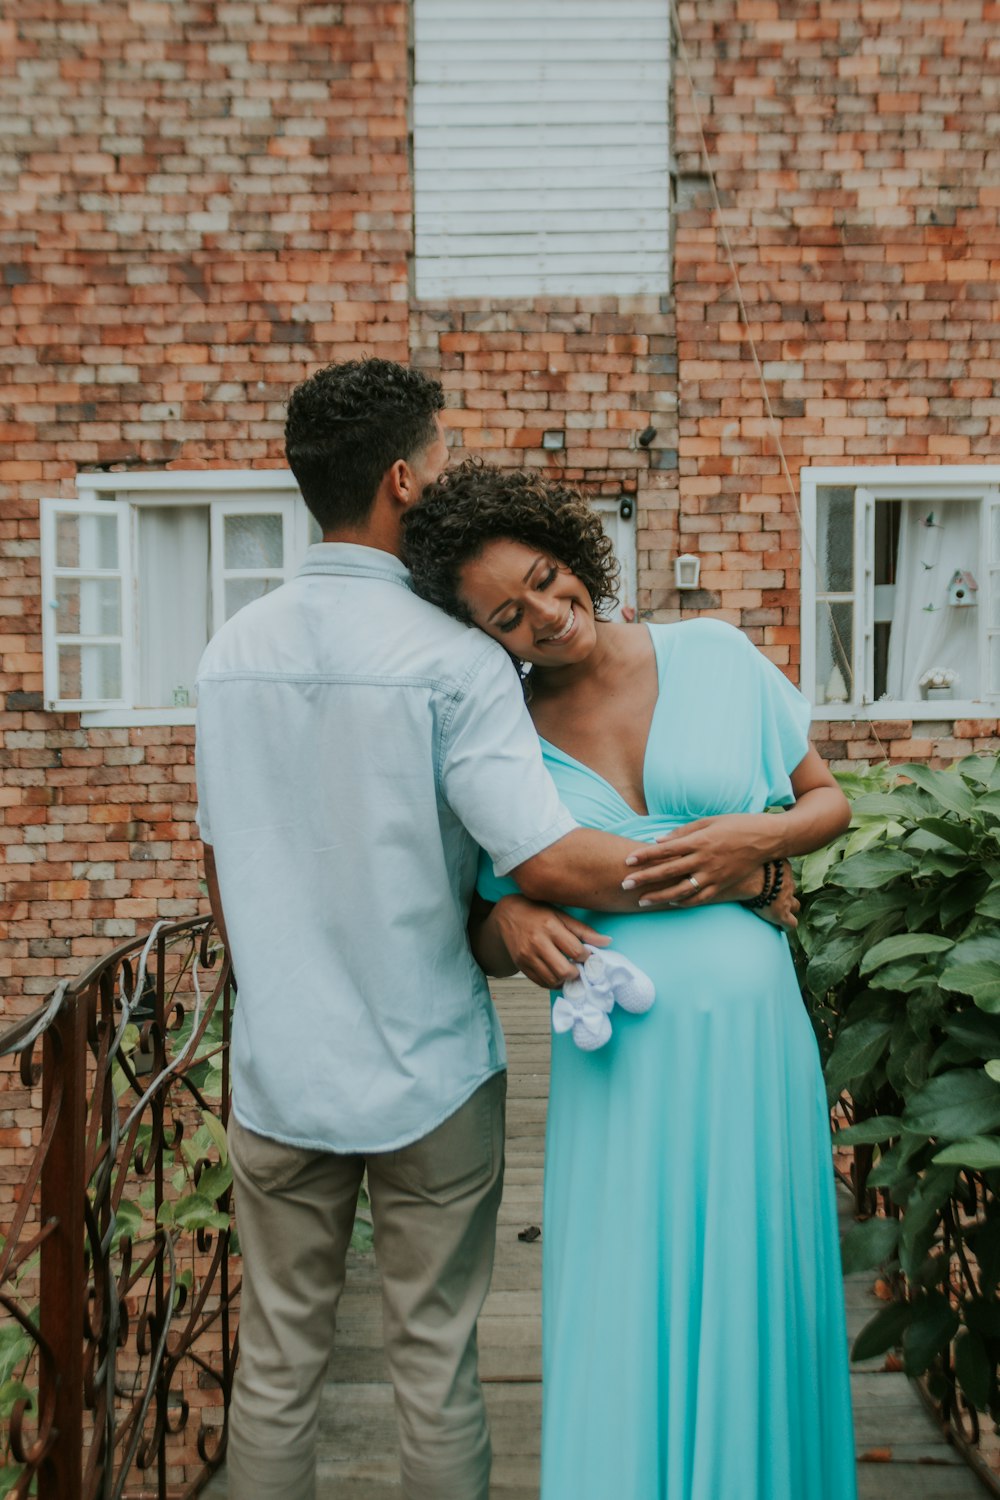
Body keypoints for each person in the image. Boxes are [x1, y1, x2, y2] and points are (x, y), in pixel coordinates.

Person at [194, 359, 784, 1500]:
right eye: (448, 456)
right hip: (430, 1074)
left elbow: (220, 865)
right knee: (433, 1365)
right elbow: (555, 860)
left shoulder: (227, 657)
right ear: (406, 481)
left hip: (276, 1072)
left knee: (271, 1373)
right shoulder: (454, 657)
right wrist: (736, 870)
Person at [403, 462, 858, 1500]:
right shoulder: (500, 728)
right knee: (629, 1287)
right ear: (484, 637)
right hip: (620, 1063)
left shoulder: (713, 652)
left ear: (575, 553)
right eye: (509, 618)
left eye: (551, 579)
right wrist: (511, 913)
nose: (550, 618)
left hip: (751, 1036)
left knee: (752, 1278)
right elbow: (475, 926)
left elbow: (828, 802)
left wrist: (766, 834)